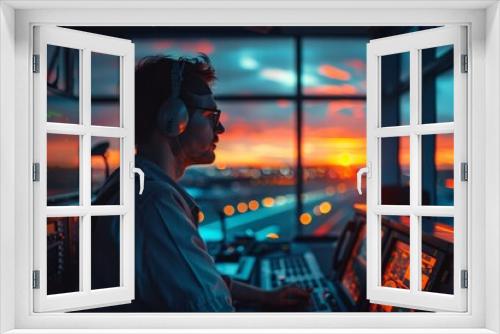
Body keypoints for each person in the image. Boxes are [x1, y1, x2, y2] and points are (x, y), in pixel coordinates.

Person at [91, 54, 311, 312]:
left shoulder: (137, 186)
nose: (221, 129)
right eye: (210, 115)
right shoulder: (155, 203)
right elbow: (210, 310)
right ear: (174, 119)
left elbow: (194, 281)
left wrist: (265, 297)